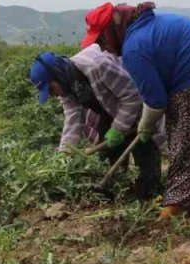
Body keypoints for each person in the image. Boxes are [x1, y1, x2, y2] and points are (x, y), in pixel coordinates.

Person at [82, 2, 190, 217]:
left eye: (101, 40)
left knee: (189, 146)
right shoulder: (150, 26)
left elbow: (156, 101)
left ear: (112, 31)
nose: (102, 48)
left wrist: (145, 125)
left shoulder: (134, 47)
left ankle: (174, 211)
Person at [28, 46, 163, 199]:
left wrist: (119, 128)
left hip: (137, 105)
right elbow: (73, 118)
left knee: (144, 152)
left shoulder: (97, 66)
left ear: (57, 75)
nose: (54, 95)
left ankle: (150, 195)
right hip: (108, 111)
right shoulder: (67, 86)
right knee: (106, 157)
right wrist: (64, 153)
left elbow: (132, 97)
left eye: (51, 89)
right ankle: (117, 190)